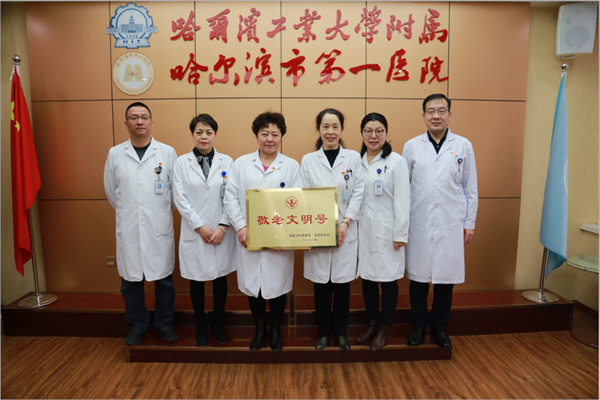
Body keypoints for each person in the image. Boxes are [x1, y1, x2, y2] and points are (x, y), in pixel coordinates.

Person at [402, 93, 478, 348]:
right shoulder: (412, 146)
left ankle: (439, 328)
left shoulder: (463, 145)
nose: (436, 116)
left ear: (449, 114)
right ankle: (417, 327)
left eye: (441, 111)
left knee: (445, 281)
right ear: (423, 115)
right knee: (418, 280)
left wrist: (469, 223)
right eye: (431, 111)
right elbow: (404, 189)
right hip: (419, 222)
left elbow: (470, 188)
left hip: (450, 222)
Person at [223, 111, 300, 352]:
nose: (269, 139)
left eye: (275, 134)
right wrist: (241, 227)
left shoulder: (291, 166)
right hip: (249, 237)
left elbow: (297, 202)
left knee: (277, 286)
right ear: (256, 136)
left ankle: (275, 331)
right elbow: (230, 198)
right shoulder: (241, 164)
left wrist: (284, 236)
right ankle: (259, 331)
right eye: (264, 133)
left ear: (281, 136)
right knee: (253, 286)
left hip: (280, 240)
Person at [103, 102, 179, 346]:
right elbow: (112, 192)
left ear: (151, 122)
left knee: (164, 282)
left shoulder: (167, 152)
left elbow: (174, 193)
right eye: (134, 117)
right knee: (130, 282)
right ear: (126, 123)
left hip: (158, 227)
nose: (139, 121)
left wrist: (155, 212)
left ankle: (164, 325)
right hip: (130, 228)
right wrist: (132, 211)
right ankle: (137, 326)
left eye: (144, 117)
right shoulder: (115, 153)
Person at [300, 108, 364, 351]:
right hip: (316, 232)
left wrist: (346, 222)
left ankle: (342, 333)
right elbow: (303, 196)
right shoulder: (308, 160)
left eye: (335, 126)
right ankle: (324, 333)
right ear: (318, 130)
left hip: (345, 231)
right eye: (325, 126)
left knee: (342, 289)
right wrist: (309, 233)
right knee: (321, 289)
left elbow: (358, 193)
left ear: (342, 130)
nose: (330, 131)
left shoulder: (353, 158)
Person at [173, 114, 235, 347]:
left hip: (221, 232)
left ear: (215, 135)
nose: (204, 136)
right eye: (199, 132)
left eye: (209, 132)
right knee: (197, 280)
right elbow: (180, 198)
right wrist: (199, 226)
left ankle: (217, 324)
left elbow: (233, 196)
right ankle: (200, 326)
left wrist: (222, 226)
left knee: (220, 279)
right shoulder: (181, 163)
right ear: (192, 135)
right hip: (195, 232)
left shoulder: (227, 162)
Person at [356, 113, 410, 352]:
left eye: (379, 131)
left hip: (388, 232)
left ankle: (385, 328)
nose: (373, 136)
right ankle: (372, 323)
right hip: (363, 231)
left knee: (388, 281)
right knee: (367, 279)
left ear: (386, 133)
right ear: (362, 134)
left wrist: (400, 234)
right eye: (368, 131)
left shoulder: (396, 162)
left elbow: (403, 200)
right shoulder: (356, 161)